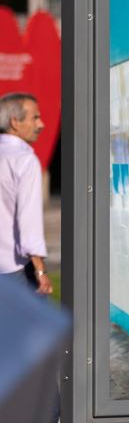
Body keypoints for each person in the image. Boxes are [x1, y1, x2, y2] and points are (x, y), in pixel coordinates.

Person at [0, 93, 50, 296]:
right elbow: (28, 219)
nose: (42, 124)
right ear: (15, 122)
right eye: (35, 118)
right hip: (14, 267)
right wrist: (40, 269)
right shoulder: (25, 161)